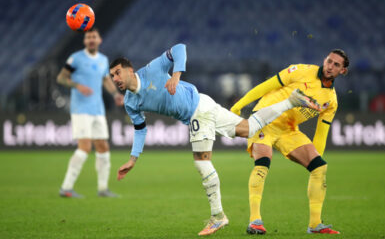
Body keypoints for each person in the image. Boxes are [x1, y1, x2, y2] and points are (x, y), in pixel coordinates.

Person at [109, 43, 320, 236]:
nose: (115, 79)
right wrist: (133, 159)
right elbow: (140, 129)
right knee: (248, 128)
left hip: (197, 111)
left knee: (202, 161)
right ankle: (291, 100)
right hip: (203, 104)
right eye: (112, 76)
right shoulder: (130, 102)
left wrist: (176, 75)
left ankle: (218, 216)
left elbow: (180, 48)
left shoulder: (152, 70)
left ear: (129, 70)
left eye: (118, 73)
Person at [230, 49, 349, 235]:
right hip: (265, 117)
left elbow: (321, 133)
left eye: (336, 65)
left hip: (288, 130)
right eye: (329, 61)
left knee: (320, 167)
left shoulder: (331, 101)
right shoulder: (301, 70)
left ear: (343, 71)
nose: (330, 66)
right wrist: (239, 105)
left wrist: (314, 163)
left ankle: (315, 224)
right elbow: (266, 86)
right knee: (263, 162)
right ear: (324, 60)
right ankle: (255, 221)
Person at [57, 28, 124, 198]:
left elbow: (105, 79)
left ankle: (103, 189)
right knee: (85, 148)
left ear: (99, 39)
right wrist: (77, 85)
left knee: (103, 147)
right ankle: (66, 187)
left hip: (98, 110)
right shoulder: (76, 58)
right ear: (85, 41)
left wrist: (116, 94)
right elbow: (61, 78)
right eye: (88, 37)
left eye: (94, 36)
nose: (91, 39)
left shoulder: (103, 60)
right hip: (81, 110)